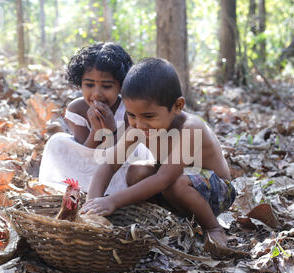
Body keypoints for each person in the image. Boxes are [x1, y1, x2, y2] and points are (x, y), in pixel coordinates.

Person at [79, 58, 239, 258]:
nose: (140, 124)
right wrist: (92, 203)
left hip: (216, 193)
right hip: (177, 187)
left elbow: (163, 178)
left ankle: (213, 228)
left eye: (149, 116)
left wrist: (113, 201)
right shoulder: (137, 127)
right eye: (132, 115)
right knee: (137, 171)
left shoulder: (191, 128)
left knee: (175, 183)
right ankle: (163, 218)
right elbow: (109, 164)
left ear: (177, 106)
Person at [39, 42, 153, 193]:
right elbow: (84, 154)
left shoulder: (128, 109)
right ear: (80, 83)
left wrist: (111, 130)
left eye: (106, 87)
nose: (97, 93)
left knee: (142, 170)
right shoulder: (77, 109)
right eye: (89, 85)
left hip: (121, 166)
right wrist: (95, 131)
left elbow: (124, 153)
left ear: (121, 86)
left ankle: (114, 191)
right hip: (89, 166)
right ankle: (82, 188)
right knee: (57, 142)